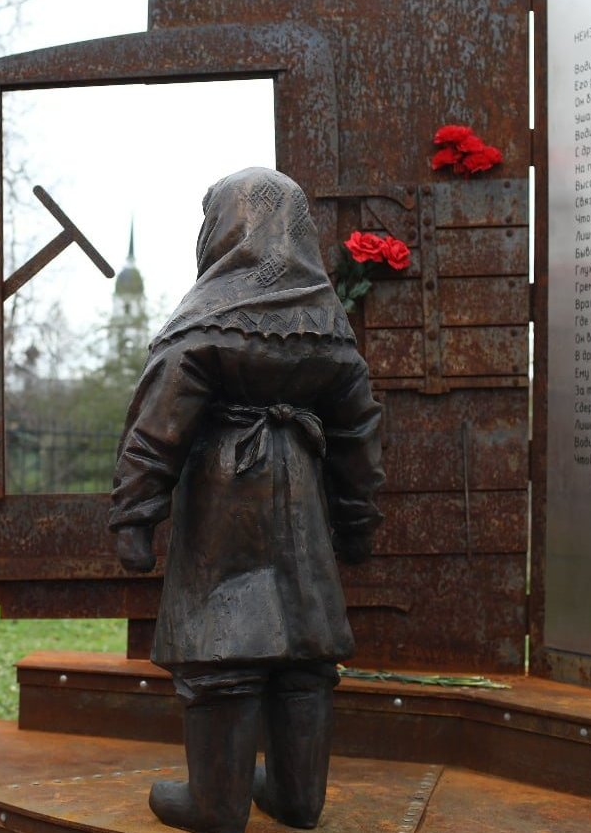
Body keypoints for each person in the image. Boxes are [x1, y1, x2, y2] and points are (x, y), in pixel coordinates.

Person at [111, 167, 386, 833]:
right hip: (301, 503)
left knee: (220, 643)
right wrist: (356, 523)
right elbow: (357, 434)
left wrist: (135, 516)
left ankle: (217, 802)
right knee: (304, 648)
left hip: (223, 499)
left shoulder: (207, 315)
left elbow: (157, 426)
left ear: (222, 229)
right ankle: (296, 796)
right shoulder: (327, 320)